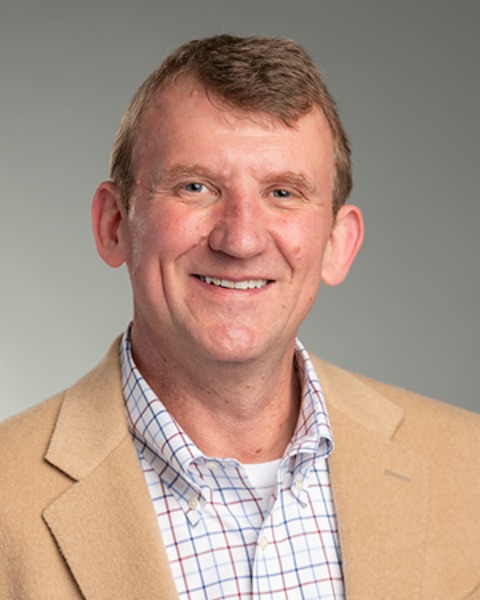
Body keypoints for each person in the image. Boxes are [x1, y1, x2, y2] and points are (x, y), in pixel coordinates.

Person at [1, 34, 479, 600]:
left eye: (283, 193)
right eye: (196, 187)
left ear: (337, 243)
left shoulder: (468, 469)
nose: (241, 239)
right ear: (114, 225)